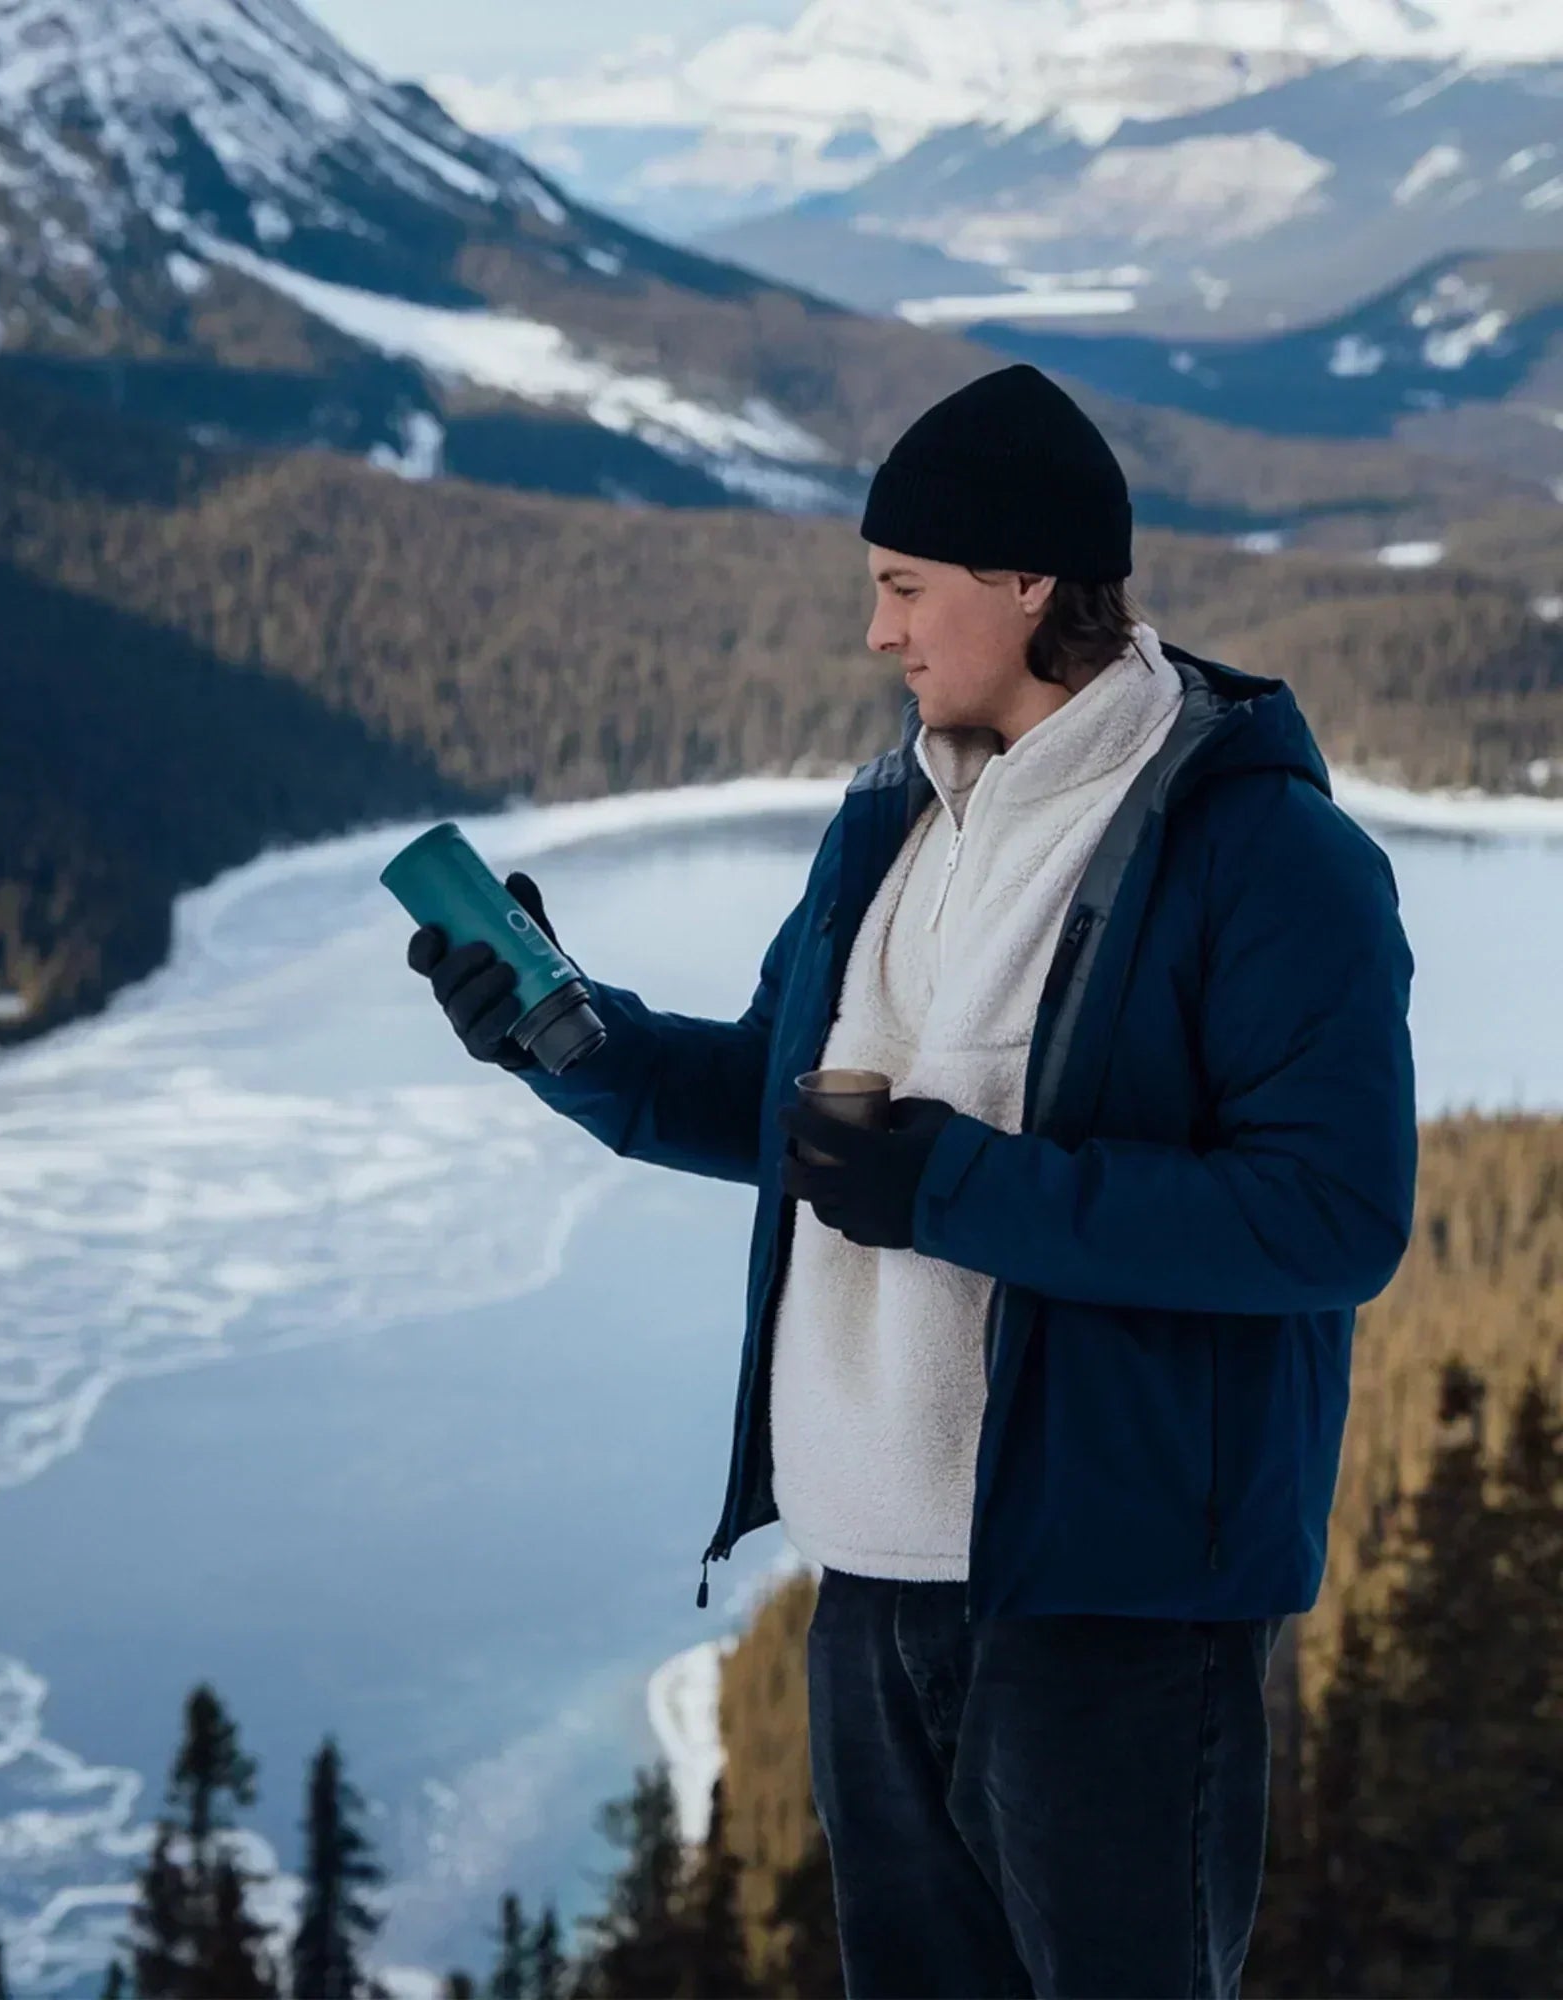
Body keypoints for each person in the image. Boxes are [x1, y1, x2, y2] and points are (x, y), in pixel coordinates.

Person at [403, 363, 1417, 1999]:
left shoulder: (1267, 855)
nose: (877, 632)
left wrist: (955, 1189)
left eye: (903, 589)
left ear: (1028, 586)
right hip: (870, 1593)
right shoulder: (893, 819)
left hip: (1112, 1612)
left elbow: (1331, 1220)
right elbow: (781, 1110)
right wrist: (565, 1038)